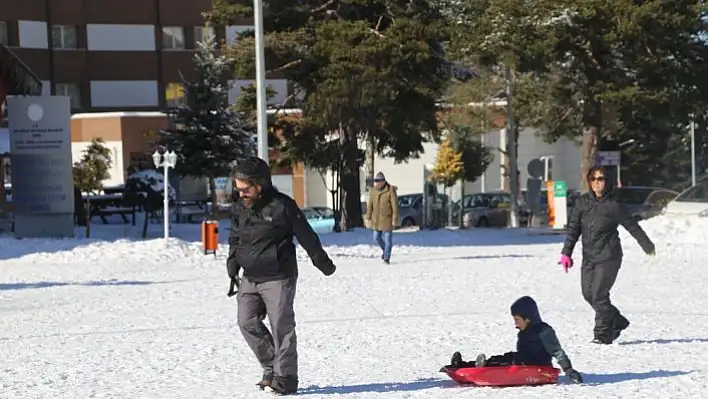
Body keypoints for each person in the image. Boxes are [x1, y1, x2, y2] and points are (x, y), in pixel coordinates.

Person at [227, 156, 337, 395]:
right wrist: (232, 263)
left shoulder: (282, 206)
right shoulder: (239, 206)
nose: (241, 193)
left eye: (245, 189)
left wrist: (322, 262)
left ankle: (286, 376)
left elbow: (306, 235)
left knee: (281, 326)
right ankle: (270, 367)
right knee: (246, 322)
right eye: (238, 188)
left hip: (278, 275)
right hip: (250, 276)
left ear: (260, 184)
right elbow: (236, 236)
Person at [559, 165, 655, 344]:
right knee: (588, 294)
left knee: (599, 295)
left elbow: (632, 226)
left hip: (609, 256)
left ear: (607, 181)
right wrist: (566, 252)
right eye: (593, 179)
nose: (597, 183)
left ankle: (603, 334)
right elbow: (574, 229)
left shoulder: (614, 205)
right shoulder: (582, 202)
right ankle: (617, 321)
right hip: (589, 256)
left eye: (600, 179)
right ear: (589, 181)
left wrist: (647, 244)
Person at [447, 296, 583, 384]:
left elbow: (557, 351)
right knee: (501, 358)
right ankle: (463, 365)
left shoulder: (544, 331)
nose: (515, 324)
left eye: (517, 320)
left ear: (528, 319)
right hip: (522, 359)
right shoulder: (523, 332)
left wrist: (569, 369)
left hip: (536, 364)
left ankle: (480, 368)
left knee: (504, 362)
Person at [365, 172, 399, 264]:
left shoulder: (390, 190)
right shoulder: (373, 191)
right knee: (376, 237)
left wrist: (395, 218)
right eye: (375, 181)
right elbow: (370, 205)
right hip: (376, 219)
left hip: (387, 219)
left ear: (383, 181)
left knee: (388, 240)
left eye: (378, 181)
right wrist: (368, 216)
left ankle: (386, 257)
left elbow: (394, 205)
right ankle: (385, 250)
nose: (376, 183)